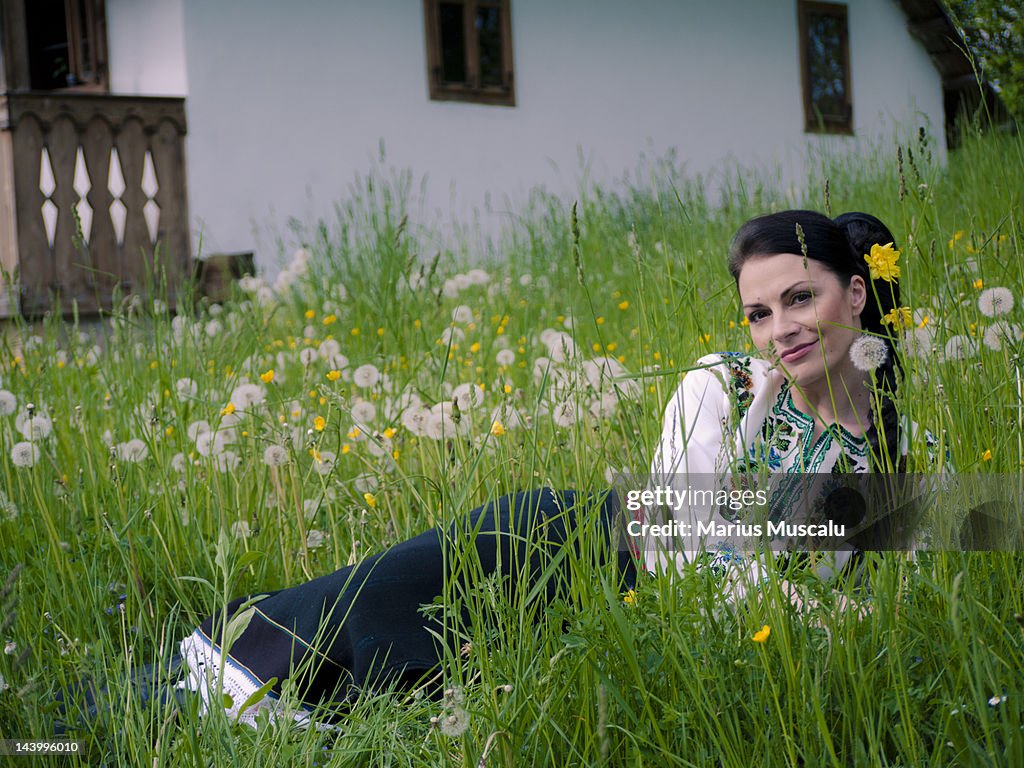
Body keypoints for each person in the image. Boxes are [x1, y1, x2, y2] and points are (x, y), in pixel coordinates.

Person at [172, 209, 921, 728]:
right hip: (570, 544)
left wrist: (839, 617)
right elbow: (695, 545)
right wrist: (824, 615)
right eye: (759, 312)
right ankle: (205, 676)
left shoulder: (892, 447)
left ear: (855, 293)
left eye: (800, 298)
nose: (780, 329)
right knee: (364, 609)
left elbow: (894, 589)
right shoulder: (722, 385)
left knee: (414, 688)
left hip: (646, 621)